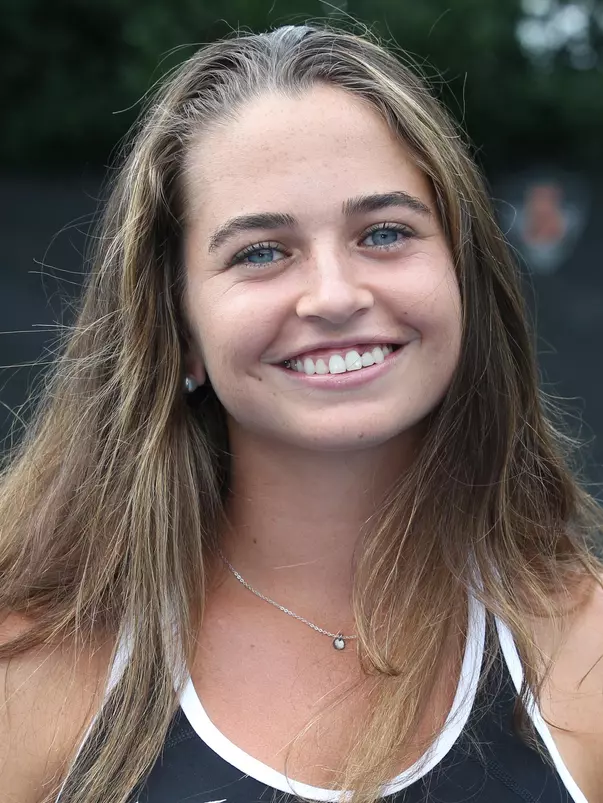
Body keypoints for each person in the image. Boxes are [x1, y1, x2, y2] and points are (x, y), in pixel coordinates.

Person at [1, 22, 602, 803]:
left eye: (384, 233)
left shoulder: (582, 646)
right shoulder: (32, 656)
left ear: (462, 276)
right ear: (178, 327)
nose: (335, 296)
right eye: (260, 251)